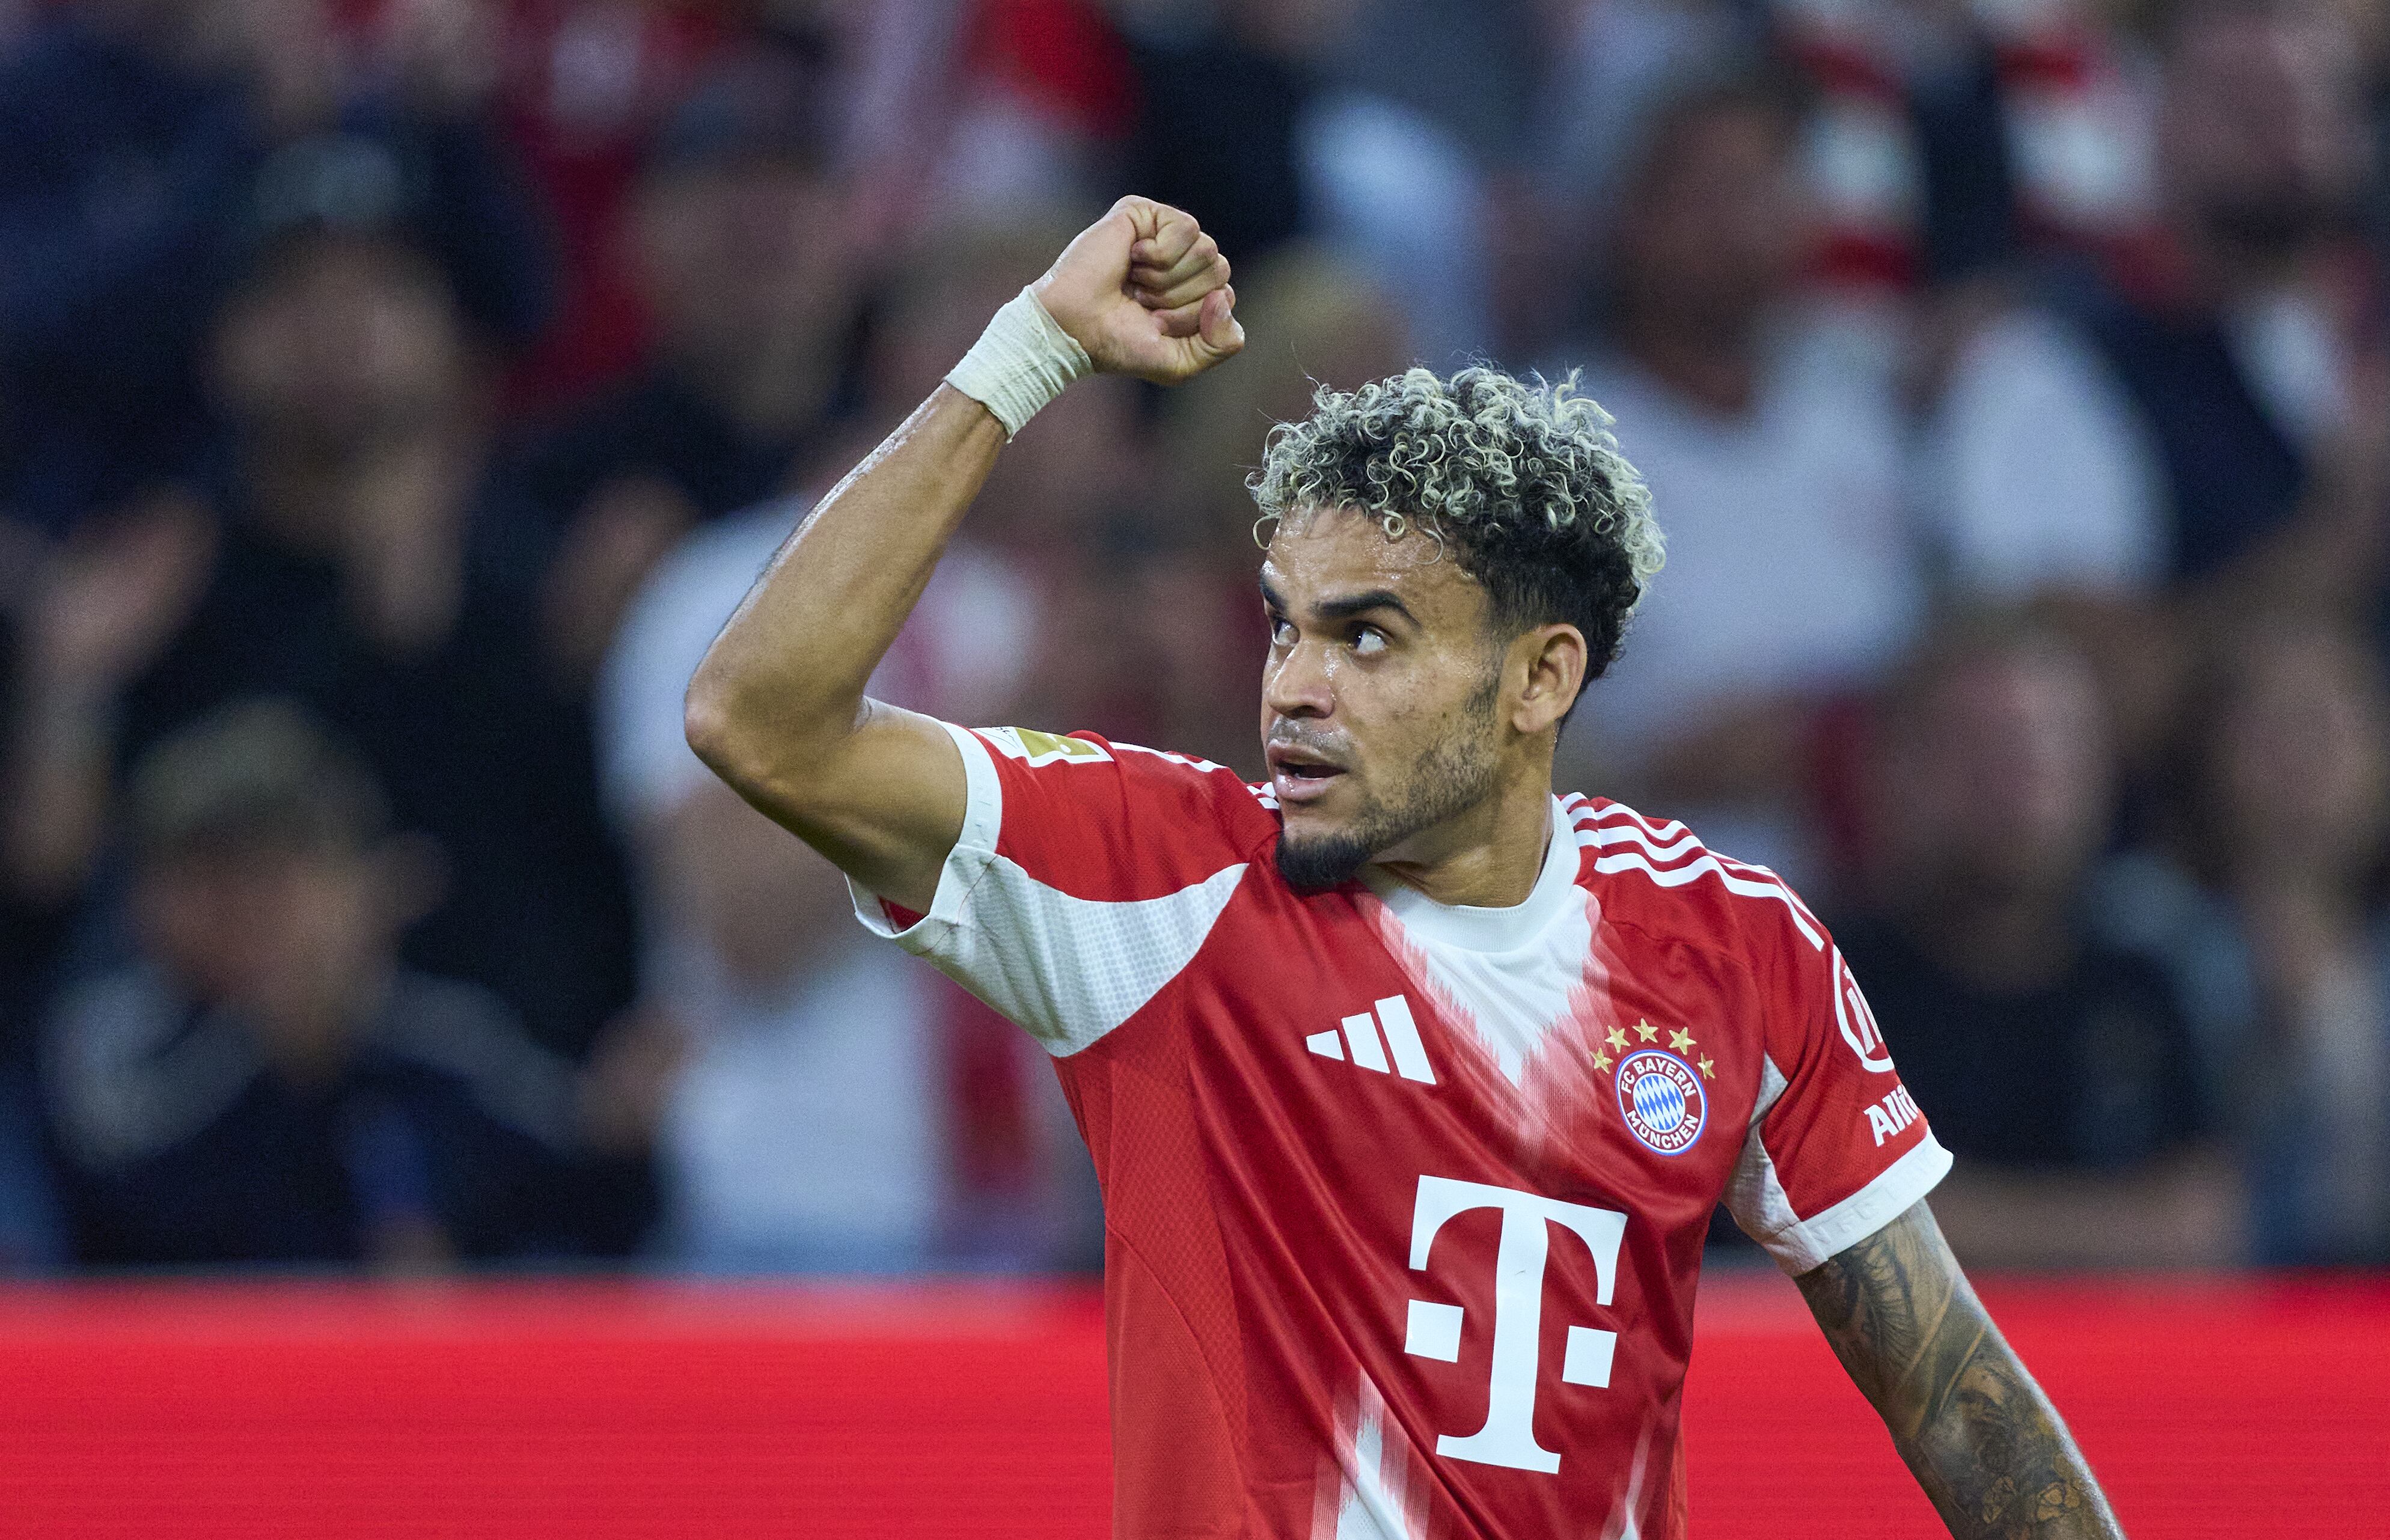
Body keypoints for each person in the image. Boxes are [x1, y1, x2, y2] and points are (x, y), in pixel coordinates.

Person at [683, 197, 2124, 1539]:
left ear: (1539, 679)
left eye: (1366, 638)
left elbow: (1951, 1391)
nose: (1293, 689)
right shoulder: (1159, 881)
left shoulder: (1735, 945)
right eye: (1282, 627)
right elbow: (759, 720)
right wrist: (1029, 352)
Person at [43, 700, 593, 1270]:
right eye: (213, 872)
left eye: (281, 870)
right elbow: (109, 1200)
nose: (250, 907)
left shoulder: (438, 1036)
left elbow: (565, 1167)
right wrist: (265, 1046)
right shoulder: (112, 1036)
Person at [1835, 618, 2238, 1270]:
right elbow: (1832, 1220)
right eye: (1978, 747)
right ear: (1894, 772)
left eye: (2049, 744)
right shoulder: (1819, 979)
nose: (2018, 778)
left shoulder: (2148, 979)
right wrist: (2120, 1229)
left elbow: (2201, 1227)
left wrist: (1941, 1217)